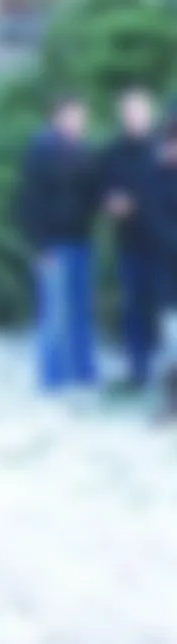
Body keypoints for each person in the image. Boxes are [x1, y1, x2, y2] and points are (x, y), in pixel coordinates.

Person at [18, 94, 101, 392]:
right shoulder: (42, 149)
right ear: (58, 117)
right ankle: (51, 379)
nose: (78, 122)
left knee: (81, 310)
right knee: (53, 313)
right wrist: (40, 247)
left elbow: (92, 194)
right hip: (52, 245)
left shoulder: (83, 150)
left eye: (81, 117)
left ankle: (84, 372)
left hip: (81, 242)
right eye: (73, 116)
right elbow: (30, 201)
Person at [103, 87, 162, 389]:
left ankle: (161, 370)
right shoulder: (115, 151)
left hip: (163, 246)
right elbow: (104, 188)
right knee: (133, 309)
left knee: (160, 311)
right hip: (129, 245)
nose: (134, 118)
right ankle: (138, 371)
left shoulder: (160, 150)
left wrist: (138, 202)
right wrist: (112, 202)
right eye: (129, 112)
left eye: (139, 112)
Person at [141, 116, 177, 421]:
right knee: (172, 344)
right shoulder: (154, 180)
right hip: (167, 277)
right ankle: (170, 404)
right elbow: (155, 226)